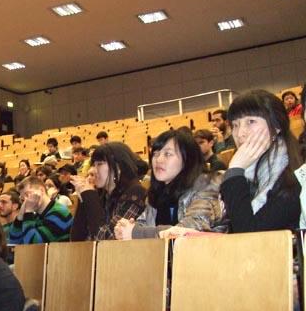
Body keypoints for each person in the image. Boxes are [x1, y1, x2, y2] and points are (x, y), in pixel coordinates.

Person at [114, 129, 226, 240]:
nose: (158, 160)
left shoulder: (208, 185)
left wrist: (136, 232)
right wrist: (124, 228)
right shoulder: (157, 192)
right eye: (155, 154)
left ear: (187, 158)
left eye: (168, 154)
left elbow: (188, 231)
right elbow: (142, 224)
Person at [221, 89, 301, 232]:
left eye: (251, 121)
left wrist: (235, 170)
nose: (240, 133)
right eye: (235, 125)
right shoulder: (248, 175)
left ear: (276, 126)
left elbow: (249, 234)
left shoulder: (295, 180)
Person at [71, 143, 147, 241]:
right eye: (93, 165)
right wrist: (83, 200)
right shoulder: (102, 194)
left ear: (118, 167)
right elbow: (77, 239)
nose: (93, 170)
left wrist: (89, 197)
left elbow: (108, 239)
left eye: (99, 164)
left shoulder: (136, 192)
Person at [9, 176, 73, 244]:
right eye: (22, 198)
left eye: (27, 194)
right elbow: (14, 241)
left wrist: (28, 211)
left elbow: (33, 245)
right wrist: (20, 216)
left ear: (41, 191)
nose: (25, 200)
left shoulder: (59, 213)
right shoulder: (37, 216)